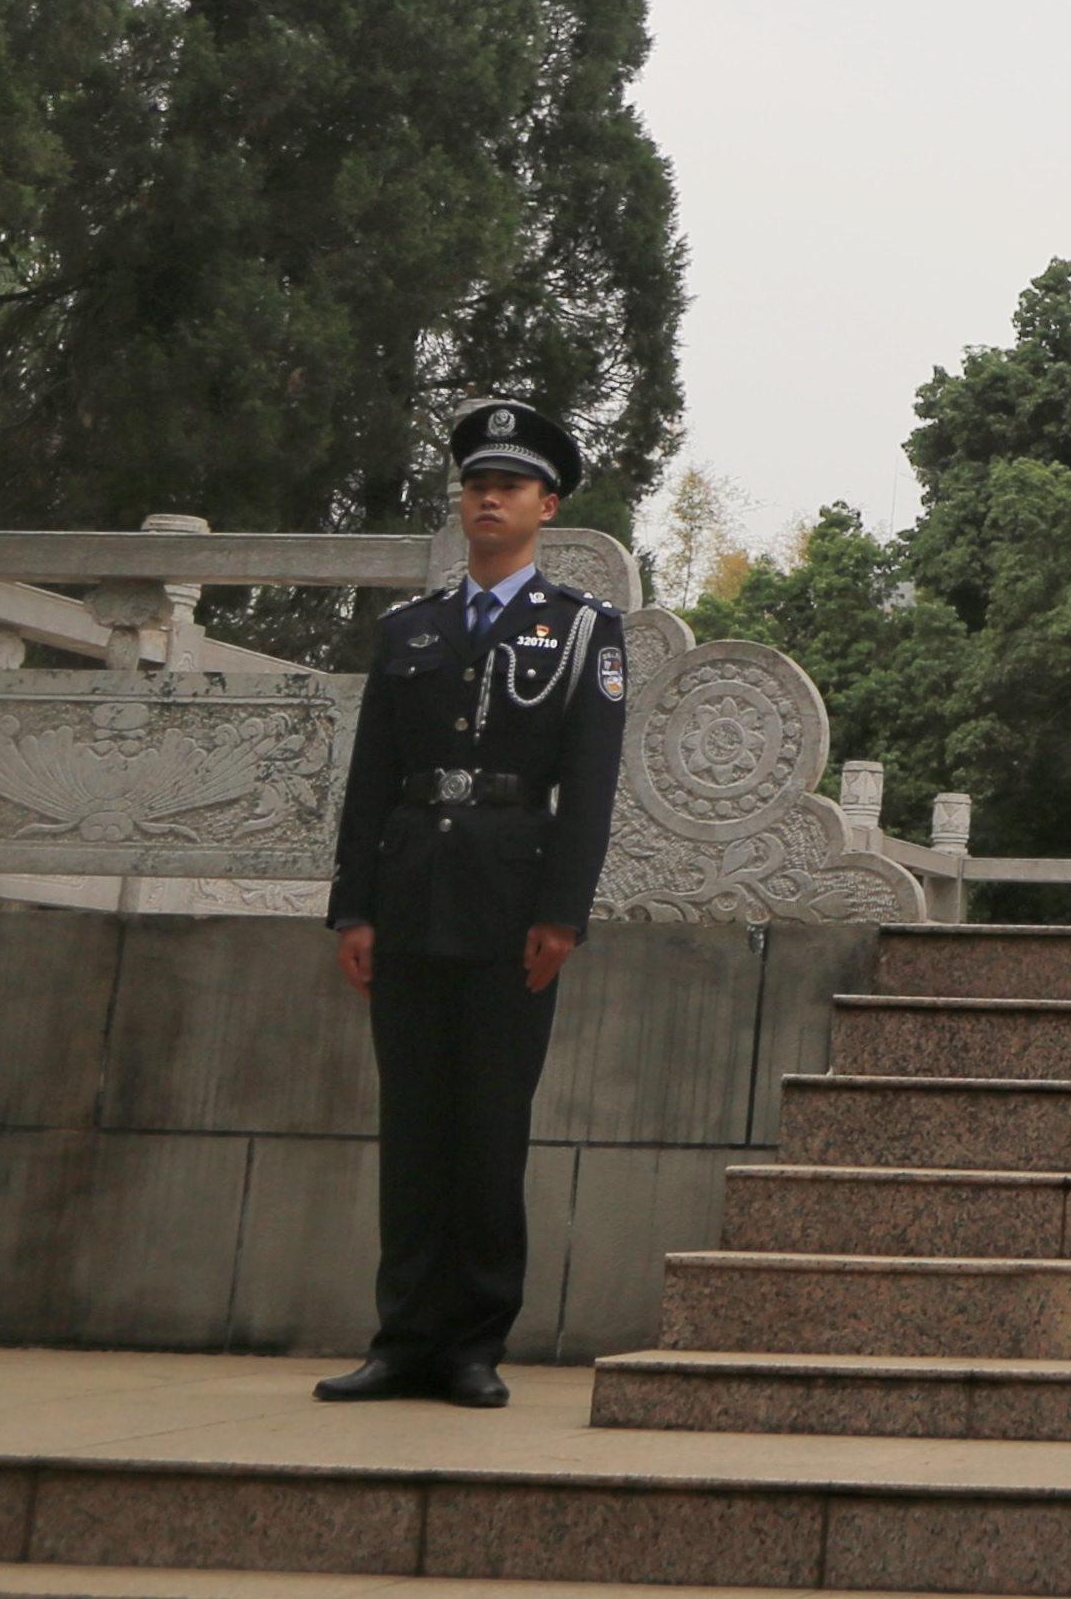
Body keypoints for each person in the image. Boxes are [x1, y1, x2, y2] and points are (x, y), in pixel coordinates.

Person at [317, 398, 630, 1407]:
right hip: (408, 897)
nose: (487, 498)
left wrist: (561, 915)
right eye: (474, 484)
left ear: (547, 504)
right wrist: (350, 909)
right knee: (412, 1130)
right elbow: (371, 780)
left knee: (489, 1128)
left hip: (509, 907)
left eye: (508, 485)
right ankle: (402, 1337)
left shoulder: (583, 631)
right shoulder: (410, 629)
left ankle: (472, 1344)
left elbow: (587, 789)